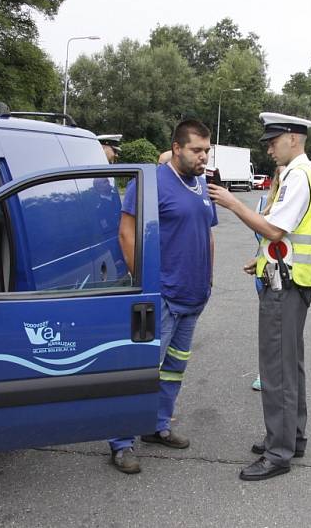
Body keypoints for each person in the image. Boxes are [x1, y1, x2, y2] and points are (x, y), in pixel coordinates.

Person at [207, 112, 311, 481]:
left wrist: (233, 203)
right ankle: (292, 436)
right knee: (290, 365)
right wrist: (259, 259)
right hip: (289, 278)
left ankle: (279, 452)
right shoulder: (297, 174)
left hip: (285, 286)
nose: (269, 149)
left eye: (273, 142)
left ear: (292, 138)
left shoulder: (299, 176)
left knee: (277, 369)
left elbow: (275, 229)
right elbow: (284, 239)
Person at [109, 119, 217, 474]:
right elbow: (127, 234)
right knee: (142, 369)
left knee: (173, 369)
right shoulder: (151, 182)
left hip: (193, 296)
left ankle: (157, 425)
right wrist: (146, 284)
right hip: (163, 297)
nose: (204, 157)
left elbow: (208, 233)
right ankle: (121, 442)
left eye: (206, 150)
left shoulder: (201, 183)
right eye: (197, 150)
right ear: (176, 147)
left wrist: (209, 279)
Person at [250, 165, 285, 392]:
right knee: (269, 328)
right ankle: (267, 372)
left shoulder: (297, 202)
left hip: (286, 274)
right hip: (264, 271)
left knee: (280, 328)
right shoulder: (263, 201)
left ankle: (277, 375)